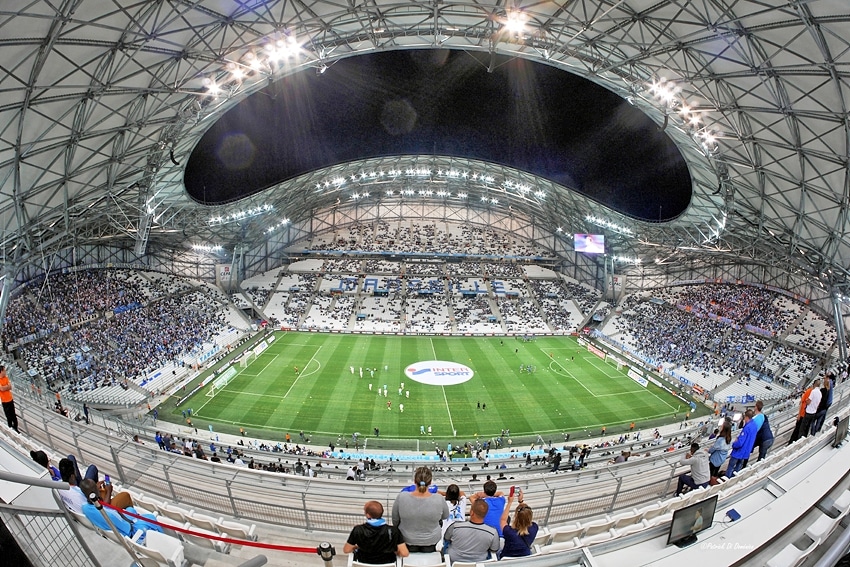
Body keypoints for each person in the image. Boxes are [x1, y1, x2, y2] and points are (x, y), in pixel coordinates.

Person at [78, 479, 162, 541]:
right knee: (151, 517)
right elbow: (129, 527)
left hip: (113, 527)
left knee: (130, 509)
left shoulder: (85, 508)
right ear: (96, 491)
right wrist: (109, 491)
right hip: (130, 531)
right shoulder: (110, 514)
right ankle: (162, 538)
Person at [392, 467, 449, 554]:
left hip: (407, 538)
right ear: (430, 482)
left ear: (415, 481)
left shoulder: (402, 497)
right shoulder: (439, 499)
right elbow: (445, 516)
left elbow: (395, 521)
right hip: (430, 540)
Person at [343, 500, 408, 565]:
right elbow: (404, 553)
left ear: (368, 515)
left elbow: (346, 550)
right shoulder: (394, 531)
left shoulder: (358, 530)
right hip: (388, 564)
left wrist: (356, 547)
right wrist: (396, 552)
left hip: (363, 564)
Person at [443, 498, 500, 563]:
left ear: (472, 512)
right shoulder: (492, 532)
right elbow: (494, 549)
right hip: (479, 562)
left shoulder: (455, 526)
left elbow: (446, 538)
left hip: (454, 561)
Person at [499, 490, 538, 558]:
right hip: (525, 557)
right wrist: (521, 501)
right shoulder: (534, 527)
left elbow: (503, 520)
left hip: (507, 558)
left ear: (516, 516)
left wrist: (509, 502)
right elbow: (525, 514)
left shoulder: (509, 532)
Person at [725, 409, 758, 478]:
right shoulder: (754, 425)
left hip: (739, 452)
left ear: (746, 417)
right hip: (745, 452)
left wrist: (734, 444)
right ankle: (733, 480)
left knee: (730, 467)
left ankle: (727, 480)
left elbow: (740, 443)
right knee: (738, 468)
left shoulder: (747, 428)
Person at [0, 365, 18, 432]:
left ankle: (16, 428)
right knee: (9, 416)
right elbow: (1, 388)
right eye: (4, 370)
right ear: (1, 371)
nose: (5, 371)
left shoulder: (6, 378)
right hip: (5, 401)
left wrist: (5, 387)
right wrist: (6, 387)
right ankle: (11, 429)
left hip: (10, 399)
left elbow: (10, 387)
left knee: (14, 415)